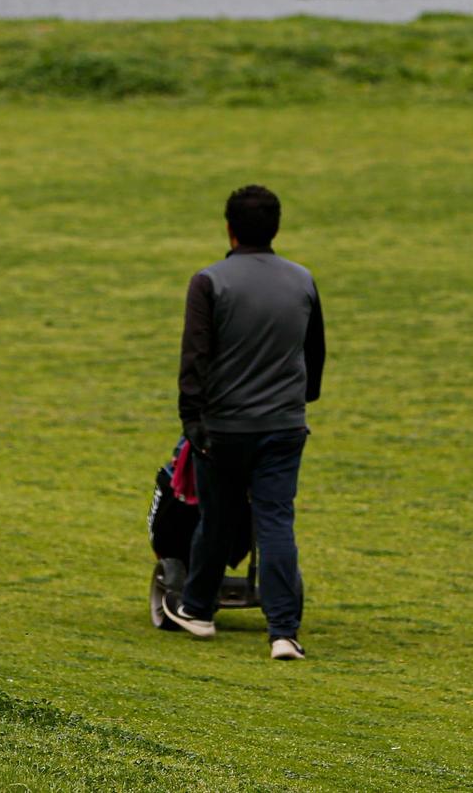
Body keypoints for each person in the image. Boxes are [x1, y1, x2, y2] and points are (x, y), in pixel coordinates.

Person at [161, 185, 326, 662]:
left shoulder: (209, 282)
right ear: (276, 227)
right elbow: (313, 352)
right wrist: (301, 399)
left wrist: (192, 417)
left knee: (218, 518)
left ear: (229, 228)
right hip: (284, 423)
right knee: (276, 520)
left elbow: (195, 356)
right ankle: (283, 631)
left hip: (226, 427)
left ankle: (197, 610)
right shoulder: (303, 279)